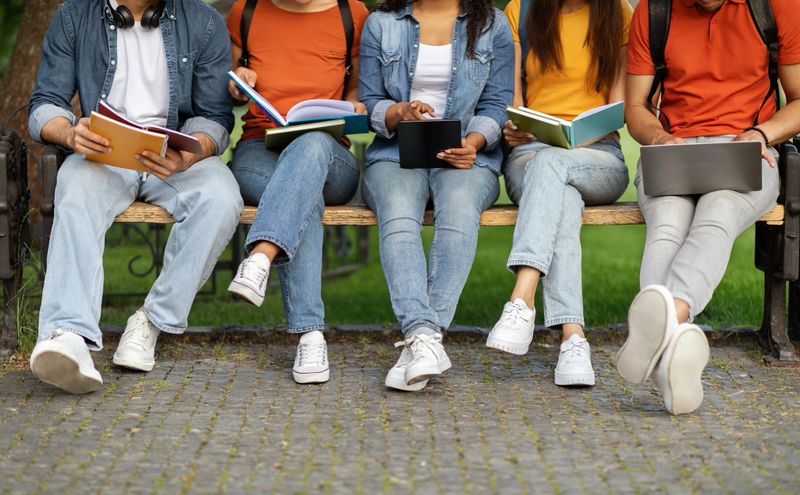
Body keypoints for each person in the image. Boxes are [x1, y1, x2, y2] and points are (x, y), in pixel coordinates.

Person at [28, 0, 242, 394]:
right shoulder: (74, 17)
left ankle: (150, 321)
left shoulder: (205, 22)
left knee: (222, 196)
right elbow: (46, 103)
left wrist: (193, 148)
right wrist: (70, 133)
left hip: (173, 158)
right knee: (73, 188)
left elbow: (216, 117)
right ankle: (68, 337)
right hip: (105, 156)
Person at [618, 0, 800, 414]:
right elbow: (635, 108)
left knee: (716, 218)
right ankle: (676, 349)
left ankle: (664, 322)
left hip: (746, 152)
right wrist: (661, 139)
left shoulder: (777, 6)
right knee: (665, 225)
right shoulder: (654, 10)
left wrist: (760, 134)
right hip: (673, 149)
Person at [359, 0, 513, 391]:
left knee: (459, 210)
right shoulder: (381, 23)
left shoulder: (492, 25)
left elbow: (497, 104)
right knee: (397, 213)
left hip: (467, 157)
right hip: (394, 153)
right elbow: (370, 101)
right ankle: (424, 337)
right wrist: (398, 112)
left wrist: (474, 141)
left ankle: (422, 340)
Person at [485, 0, 633, 387]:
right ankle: (573, 339)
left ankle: (522, 300)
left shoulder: (620, 14)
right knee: (561, 197)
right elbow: (513, 100)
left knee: (554, 166)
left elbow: (617, 109)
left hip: (598, 157)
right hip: (530, 156)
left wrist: (571, 139)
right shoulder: (521, 10)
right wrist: (515, 126)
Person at [225, 0, 369, 384]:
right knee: (303, 195)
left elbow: (360, 88)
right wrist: (238, 86)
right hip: (260, 148)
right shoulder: (246, 10)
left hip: (329, 156)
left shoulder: (351, 13)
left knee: (311, 147)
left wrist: (355, 102)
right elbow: (229, 85)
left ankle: (261, 255)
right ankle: (310, 335)